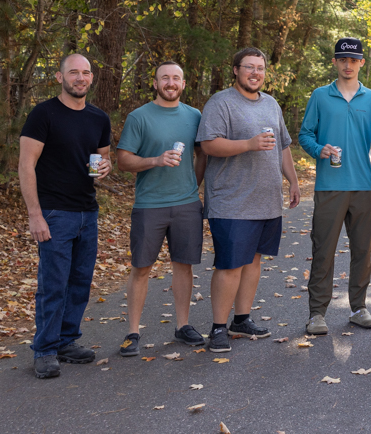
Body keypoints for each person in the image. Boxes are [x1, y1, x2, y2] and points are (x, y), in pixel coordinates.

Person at [196, 47, 301, 353]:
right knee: (230, 265)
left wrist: (293, 181)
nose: (256, 73)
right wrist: (248, 144)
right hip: (231, 201)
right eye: (249, 67)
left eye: (260, 68)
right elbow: (208, 145)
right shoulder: (221, 102)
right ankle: (218, 327)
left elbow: (283, 146)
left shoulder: (271, 103)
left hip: (266, 200)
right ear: (236, 70)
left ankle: (241, 320)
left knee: (254, 261)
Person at [19, 53, 112, 379]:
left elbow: (102, 161)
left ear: (91, 78)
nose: (80, 78)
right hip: (55, 213)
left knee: (80, 282)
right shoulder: (43, 114)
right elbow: (26, 165)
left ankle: (66, 341)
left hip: (88, 211)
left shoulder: (99, 118)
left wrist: (105, 168)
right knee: (53, 284)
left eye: (85, 72)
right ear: (60, 77)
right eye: (73, 72)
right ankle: (44, 350)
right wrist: (35, 215)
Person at [115, 61, 208, 356]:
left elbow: (203, 154)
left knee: (184, 265)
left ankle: (183, 326)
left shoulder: (195, 116)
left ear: (183, 84)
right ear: (155, 83)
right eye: (164, 78)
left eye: (176, 78)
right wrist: (155, 160)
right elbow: (123, 160)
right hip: (149, 205)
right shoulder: (139, 117)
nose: (170, 83)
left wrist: (194, 185)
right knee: (141, 268)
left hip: (187, 205)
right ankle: (132, 332)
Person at [299, 37, 371, 335]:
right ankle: (317, 314)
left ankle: (359, 308)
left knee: (362, 251)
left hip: (362, 186)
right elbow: (305, 135)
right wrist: (318, 149)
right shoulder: (320, 96)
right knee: (323, 251)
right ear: (335, 62)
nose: (348, 65)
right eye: (342, 59)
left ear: (361, 62)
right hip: (329, 187)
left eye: (353, 60)